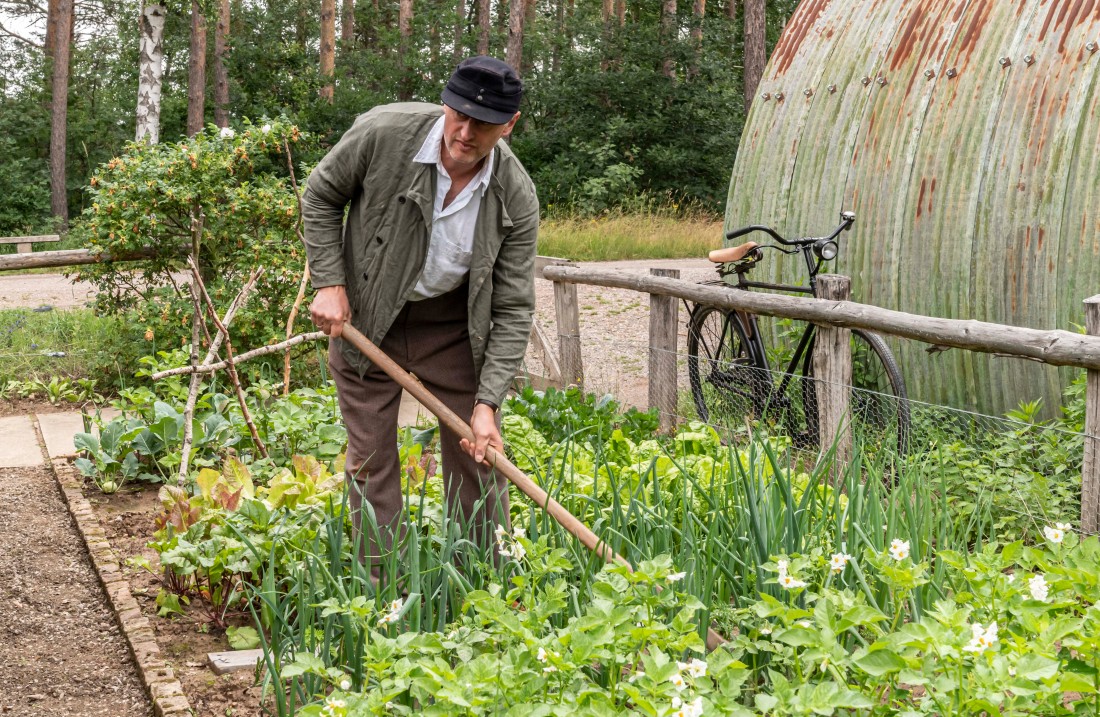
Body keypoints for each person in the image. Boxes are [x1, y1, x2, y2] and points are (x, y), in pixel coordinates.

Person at [301, 56, 538, 568]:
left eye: (486, 123)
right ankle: (381, 591)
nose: (466, 132)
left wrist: (487, 403)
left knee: (479, 459)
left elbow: (514, 306)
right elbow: (320, 195)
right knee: (370, 461)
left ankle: (487, 584)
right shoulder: (385, 134)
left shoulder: (515, 196)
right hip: (367, 318)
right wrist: (330, 283)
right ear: (445, 103)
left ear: (511, 124)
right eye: (459, 115)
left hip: (452, 330)